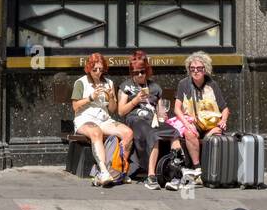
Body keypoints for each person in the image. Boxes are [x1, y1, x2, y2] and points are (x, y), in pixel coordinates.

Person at [72, 52, 134, 187]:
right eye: (95, 69)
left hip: (104, 119)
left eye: (101, 69)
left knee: (128, 133)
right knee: (96, 132)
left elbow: (112, 109)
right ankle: (104, 171)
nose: (98, 72)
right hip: (85, 119)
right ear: (89, 68)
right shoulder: (81, 82)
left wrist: (111, 97)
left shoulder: (109, 83)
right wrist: (90, 98)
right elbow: (75, 106)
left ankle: (119, 171)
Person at [117, 49, 176, 189]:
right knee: (153, 134)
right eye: (136, 72)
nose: (140, 75)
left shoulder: (155, 87)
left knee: (174, 132)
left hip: (152, 120)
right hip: (135, 120)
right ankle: (151, 176)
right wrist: (135, 100)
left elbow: (161, 111)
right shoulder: (126, 86)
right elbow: (121, 111)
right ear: (132, 72)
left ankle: (175, 174)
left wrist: (163, 114)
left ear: (147, 70)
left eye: (142, 71)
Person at [172, 51, 230, 175]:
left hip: (211, 124)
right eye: (192, 68)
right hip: (194, 123)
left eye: (199, 68)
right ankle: (197, 168)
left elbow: (224, 109)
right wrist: (186, 123)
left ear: (205, 69)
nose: (196, 71)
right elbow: (177, 108)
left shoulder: (212, 85)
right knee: (189, 132)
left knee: (217, 136)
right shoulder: (184, 84)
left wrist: (223, 121)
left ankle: (213, 171)